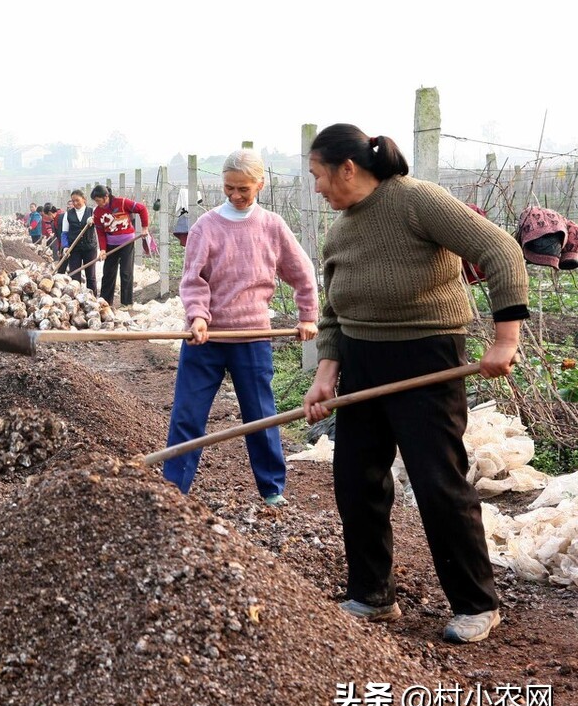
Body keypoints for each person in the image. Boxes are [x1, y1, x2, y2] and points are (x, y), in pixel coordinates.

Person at [301, 124, 528, 644]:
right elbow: (334, 312)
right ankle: (373, 595)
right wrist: (325, 375)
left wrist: (505, 340)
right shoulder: (340, 230)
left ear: (347, 169)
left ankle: (477, 603)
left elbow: (501, 252)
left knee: (436, 479)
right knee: (356, 478)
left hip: (427, 356)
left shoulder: (417, 201)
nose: (316, 187)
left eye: (318, 175)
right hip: (361, 359)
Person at [163, 150, 318, 505]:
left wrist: (307, 316)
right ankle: (173, 491)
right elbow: (193, 280)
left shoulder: (272, 226)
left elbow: (302, 273)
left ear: (260, 185)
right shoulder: (206, 226)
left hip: (252, 336)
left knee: (260, 415)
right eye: (229, 188)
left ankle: (272, 489)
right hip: (207, 338)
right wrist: (198, 316)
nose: (235, 195)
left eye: (243, 189)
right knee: (188, 414)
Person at [91, 184, 149, 306]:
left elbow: (142, 208)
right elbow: (100, 233)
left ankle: (126, 303)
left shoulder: (122, 202)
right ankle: (105, 302)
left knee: (126, 272)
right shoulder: (97, 212)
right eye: (95, 201)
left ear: (106, 196)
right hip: (111, 245)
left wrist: (144, 228)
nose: (97, 203)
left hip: (127, 243)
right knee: (108, 273)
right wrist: (102, 250)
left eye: (98, 200)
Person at [63, 190, 98, 292]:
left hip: (90, 248)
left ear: (84, 199)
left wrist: (94, 221)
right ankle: (76, 299)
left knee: (91, 275)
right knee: (74, 275)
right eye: (73, 201)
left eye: (77, 200)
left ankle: (92, 298)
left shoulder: (92, 212)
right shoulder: (68, 214)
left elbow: (101, 226)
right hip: (74, 249)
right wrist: (65, 246)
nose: (75, 203)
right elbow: (64, 233)